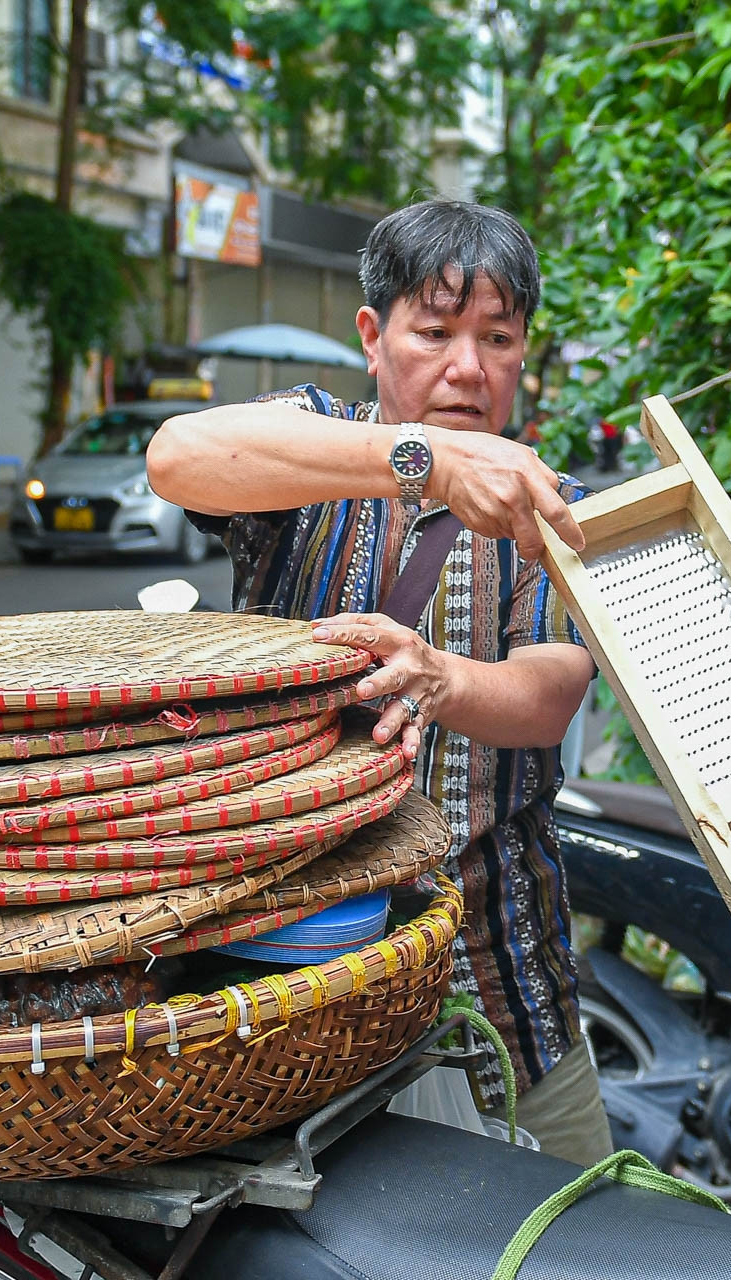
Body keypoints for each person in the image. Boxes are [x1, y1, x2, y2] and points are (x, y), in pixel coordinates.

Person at [146, 199, 613, 1165]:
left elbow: (551, 692)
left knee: (580, 1234)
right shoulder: (314, 442)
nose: (467, 368)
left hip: (501, 975)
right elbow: (177, 458)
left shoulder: (550, 502)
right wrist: (426, 463)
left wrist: (441, 678)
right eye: (434, 333)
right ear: (373, 335)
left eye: (497, 338)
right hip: (286, 985)